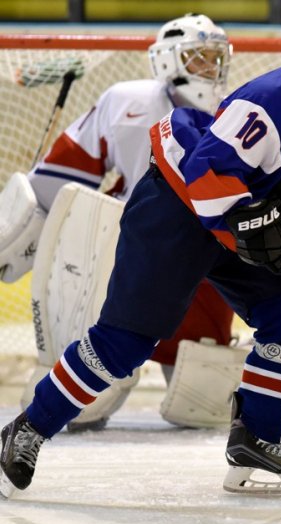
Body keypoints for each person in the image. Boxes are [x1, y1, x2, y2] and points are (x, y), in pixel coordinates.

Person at [0, 24, 281, 498]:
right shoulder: (265, 106)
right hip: (175, 208)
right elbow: (204, 177)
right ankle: (27, 428)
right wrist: (256, 226)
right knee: (125, 343)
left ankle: (256, 441)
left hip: (234, 211)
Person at [0, 13, 235, 432]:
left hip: (204, 261)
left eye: (216, 58)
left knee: (203, 403)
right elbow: (64, 177)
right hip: (131, 252)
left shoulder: (236, 113)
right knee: (89, 402)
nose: (211, 69)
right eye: (199, 58)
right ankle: (81, 381)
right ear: (167, 60)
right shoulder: (128, 101)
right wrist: (23, 228)